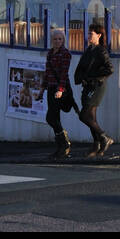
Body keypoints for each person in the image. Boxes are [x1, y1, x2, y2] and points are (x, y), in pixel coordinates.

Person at [74, 21, 115, 156]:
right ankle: (97, 145)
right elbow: (81, 69)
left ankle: (104, 137)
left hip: (97, 87)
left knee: (83, 115)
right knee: (91, 117)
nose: (89, 36)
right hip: (88, 86)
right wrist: (82, 78)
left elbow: (109, 69)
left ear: (99, 35)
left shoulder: (101, 51)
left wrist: (95, 78)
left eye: (91, 34)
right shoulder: (88, 50)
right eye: (88, 33)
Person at [43, 28, 78, 157]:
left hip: (59, 89)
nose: (57, 41)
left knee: (50, 117)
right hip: (50, 88)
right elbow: (47, 73)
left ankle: (64, 142)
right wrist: (42, 88)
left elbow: (64, 73)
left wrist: (61, 90)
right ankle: (61, 147)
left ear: (63, 40)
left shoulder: (65, 54)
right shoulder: (50, 53)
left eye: (60, 39)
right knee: (54, 117)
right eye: (55, 39)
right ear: (51, 41)